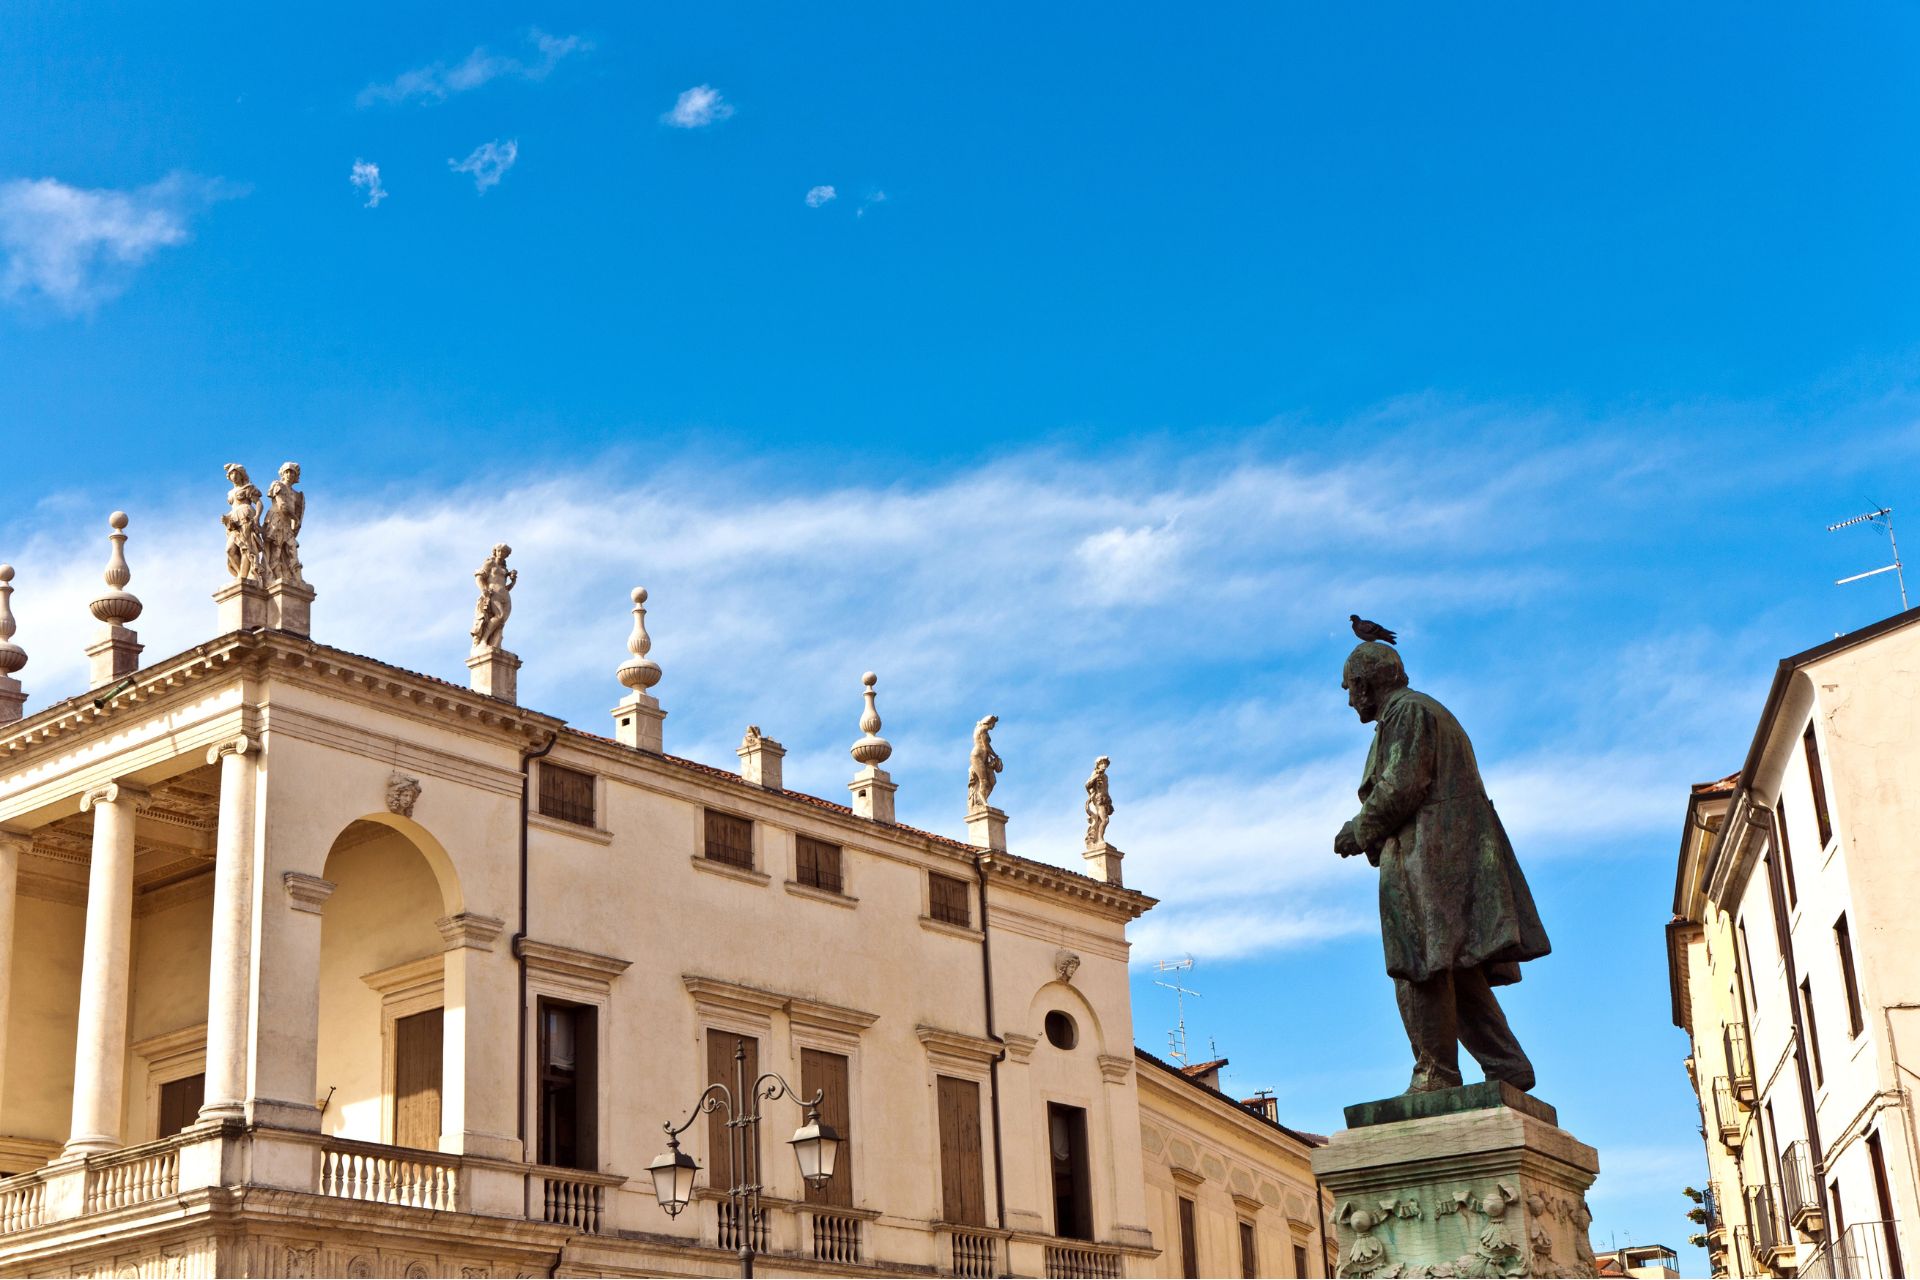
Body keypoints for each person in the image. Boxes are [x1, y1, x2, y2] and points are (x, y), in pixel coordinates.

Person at [1334, 641, 1550, 1094]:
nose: (1350, 698)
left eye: (1350, 687)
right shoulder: (1426, 712)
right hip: (1443, 854)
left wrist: (1359, 829)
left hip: (1426, 857)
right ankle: (1505, 1063)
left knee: (1418, 964)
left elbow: (1401, 785)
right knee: (1451, 968)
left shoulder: (1407, 713)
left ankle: (1436, 1072)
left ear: (1366, 682)